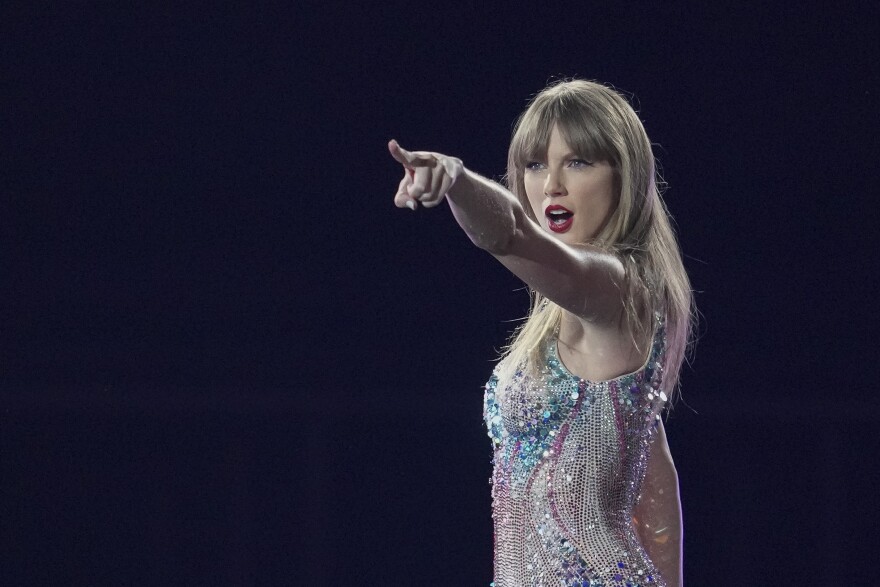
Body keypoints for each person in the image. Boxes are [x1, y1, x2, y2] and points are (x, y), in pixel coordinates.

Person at [388, 79, 694, 587]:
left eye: (578, 162)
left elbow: (509, 232)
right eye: (535, 164)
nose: (551, 184)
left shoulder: (619, 289)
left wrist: (458, 181)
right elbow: (655, 495)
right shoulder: (559, 320)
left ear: (625, 176)